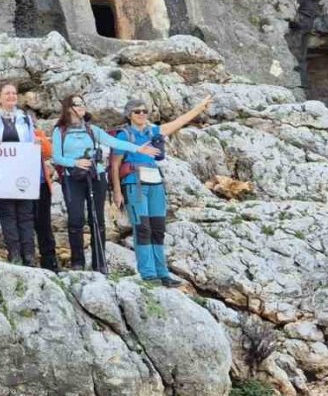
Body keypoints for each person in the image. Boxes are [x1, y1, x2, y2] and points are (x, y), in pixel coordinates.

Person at [110, 95, 212, 287]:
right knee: (142, 228)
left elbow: (179, 122)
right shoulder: (125, 135)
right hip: (135, 183)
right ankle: (148, 274)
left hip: (155, 182)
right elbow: (115, 165)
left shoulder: (152, 131)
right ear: (129, 115)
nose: (141, 114)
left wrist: (200, 107)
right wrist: (117, 191)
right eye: (137, 111)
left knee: (158, 228)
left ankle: (162, 272)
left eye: (144, 111)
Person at [51, 94, 158, 271]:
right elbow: (56, 157)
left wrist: (139, 148)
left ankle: (100, 263)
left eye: (84, 103)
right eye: (78, 104)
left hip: (96, 176)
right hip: (73, 178)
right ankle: (78, 262)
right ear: (69, 108)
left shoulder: (92, 130)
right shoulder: (60, 131)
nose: (82, 106)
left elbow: (114, 141)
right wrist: (75, 162)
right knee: (76, 219)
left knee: (97, 219)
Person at [0, 83, 51, 267]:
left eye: (14, 93)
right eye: (7, 93)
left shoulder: (26, 120)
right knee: (7, 214)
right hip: (2, 175)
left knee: (26, 215)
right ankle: (14, 254)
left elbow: (32, 145)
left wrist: (37, 143)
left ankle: (29, 255)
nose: (11, 96)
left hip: (24, 174)